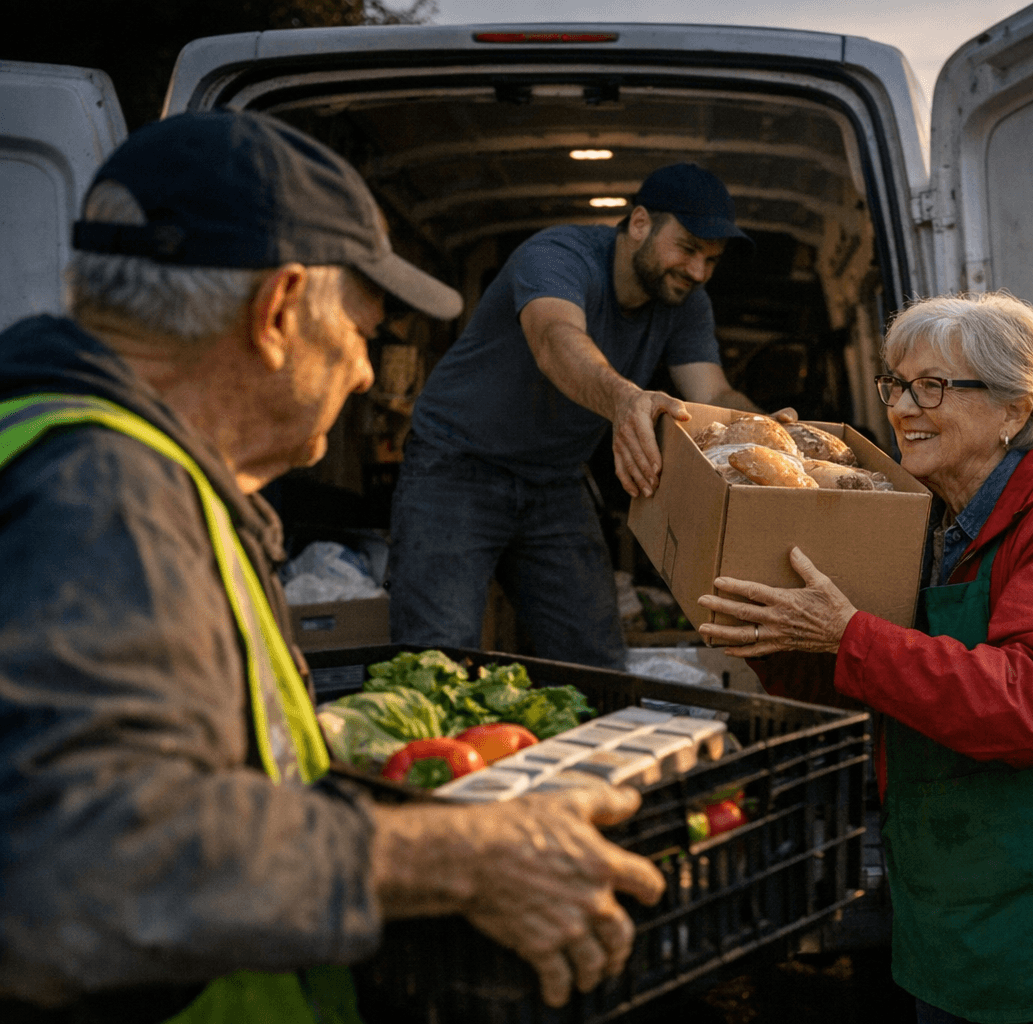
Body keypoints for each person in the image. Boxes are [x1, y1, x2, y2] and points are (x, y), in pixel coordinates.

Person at [0, 110, 664, 1022]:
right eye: (360, 332)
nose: (363, 374)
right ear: (277, 313)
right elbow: (68, 862)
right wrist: (455, 859)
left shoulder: (62, 449)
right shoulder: (105, 496)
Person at [695, 293, 1033, 1024]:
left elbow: (1030, 704)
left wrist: (846, 635)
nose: (904, 407)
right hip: (966, 922)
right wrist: (772, 635)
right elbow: (877, 683)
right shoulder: (929, 529)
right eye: (896, 384)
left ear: (1014, 408)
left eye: (933, 386)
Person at [389, 163, 774, 669]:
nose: (698, 272)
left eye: (711, 260)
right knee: (436, 655)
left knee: (593, 660)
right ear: (639, 223)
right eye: (687, 248)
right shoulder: (557, 256)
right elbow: (555, 340)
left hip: (554, 482)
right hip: (456, 466)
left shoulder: (685, 301)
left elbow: (714, 391)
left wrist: (775, 433)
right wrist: (624, 399)